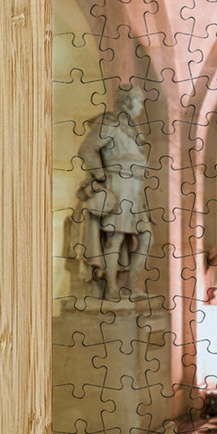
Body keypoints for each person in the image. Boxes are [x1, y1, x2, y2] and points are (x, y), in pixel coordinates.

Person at [75, 84, 152, 299]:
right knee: (115, 238)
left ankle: (132, 287)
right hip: (119, 187)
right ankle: (111, 288)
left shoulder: (133, 130)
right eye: (139, 101)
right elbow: (86, 149)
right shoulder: (108, 123)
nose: (141, 107)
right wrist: (100, 177)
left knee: (146, 238)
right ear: (127, 102)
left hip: (135, 189)